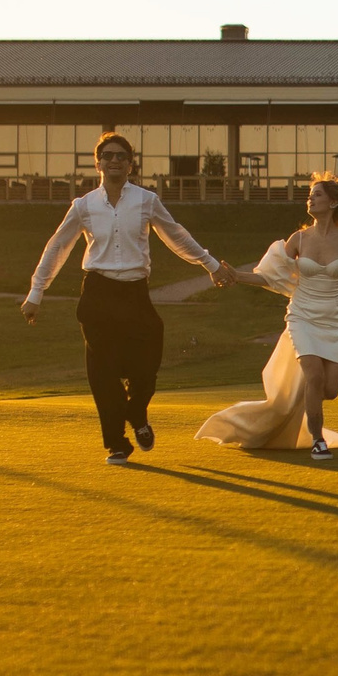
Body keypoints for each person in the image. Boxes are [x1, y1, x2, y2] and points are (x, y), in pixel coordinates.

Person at [21, 133, 233, 464]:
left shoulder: (146, 201)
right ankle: (117, 444)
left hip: (135, 291)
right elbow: (57, 246)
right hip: (98, 292)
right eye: (108, 156)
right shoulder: (84, 205)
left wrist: (211, 264)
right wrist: (37, 292)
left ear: (131, 164)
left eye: (121, 156)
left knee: (147, 360)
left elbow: (175, 235)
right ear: (98, 163)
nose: (115, 160)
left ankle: (137, 413)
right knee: (102, 371)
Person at [197, 175, 338, 462]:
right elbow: (271, 277)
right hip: (302, 316)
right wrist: (237, 276)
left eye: (317, 195)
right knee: (314, 375)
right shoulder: (298, 239)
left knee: (330, 389)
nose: (310, 199)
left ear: (333, 202)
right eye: (309, 195)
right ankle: (318, 441)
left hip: (333, 319)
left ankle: (291, 409)